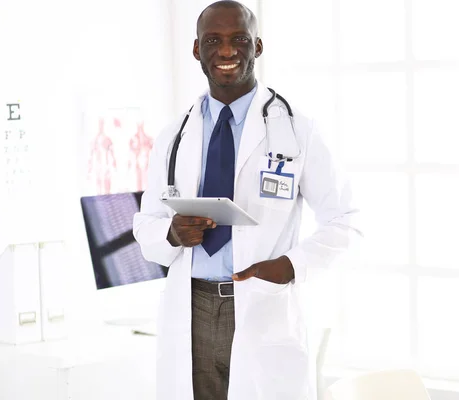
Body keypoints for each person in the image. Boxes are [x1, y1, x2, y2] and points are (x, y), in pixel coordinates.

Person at [133, 2, 360, 399]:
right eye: (213, 41)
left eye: (238, 39)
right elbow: (146, 222)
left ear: (257, 45)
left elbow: (347, 220)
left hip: (260, 305)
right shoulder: (174, 136)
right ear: (195, 50)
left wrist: (290, 266)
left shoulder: (298, 130)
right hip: (192, 308)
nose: (226, 51)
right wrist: (171, 233)